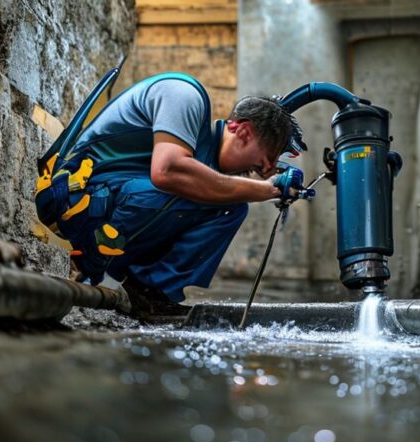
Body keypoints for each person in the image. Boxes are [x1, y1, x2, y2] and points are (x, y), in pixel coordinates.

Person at [34, 72, 307, 319]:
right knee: (208, 193)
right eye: (264, 161)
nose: (266, 171)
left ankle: (149, 294)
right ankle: (91, 263)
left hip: (108, 203)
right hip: (74, 201)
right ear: (243, 131)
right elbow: (166, 171)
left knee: (229, 207)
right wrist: (265, 190)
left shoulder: (203, 154)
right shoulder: (184, 95)